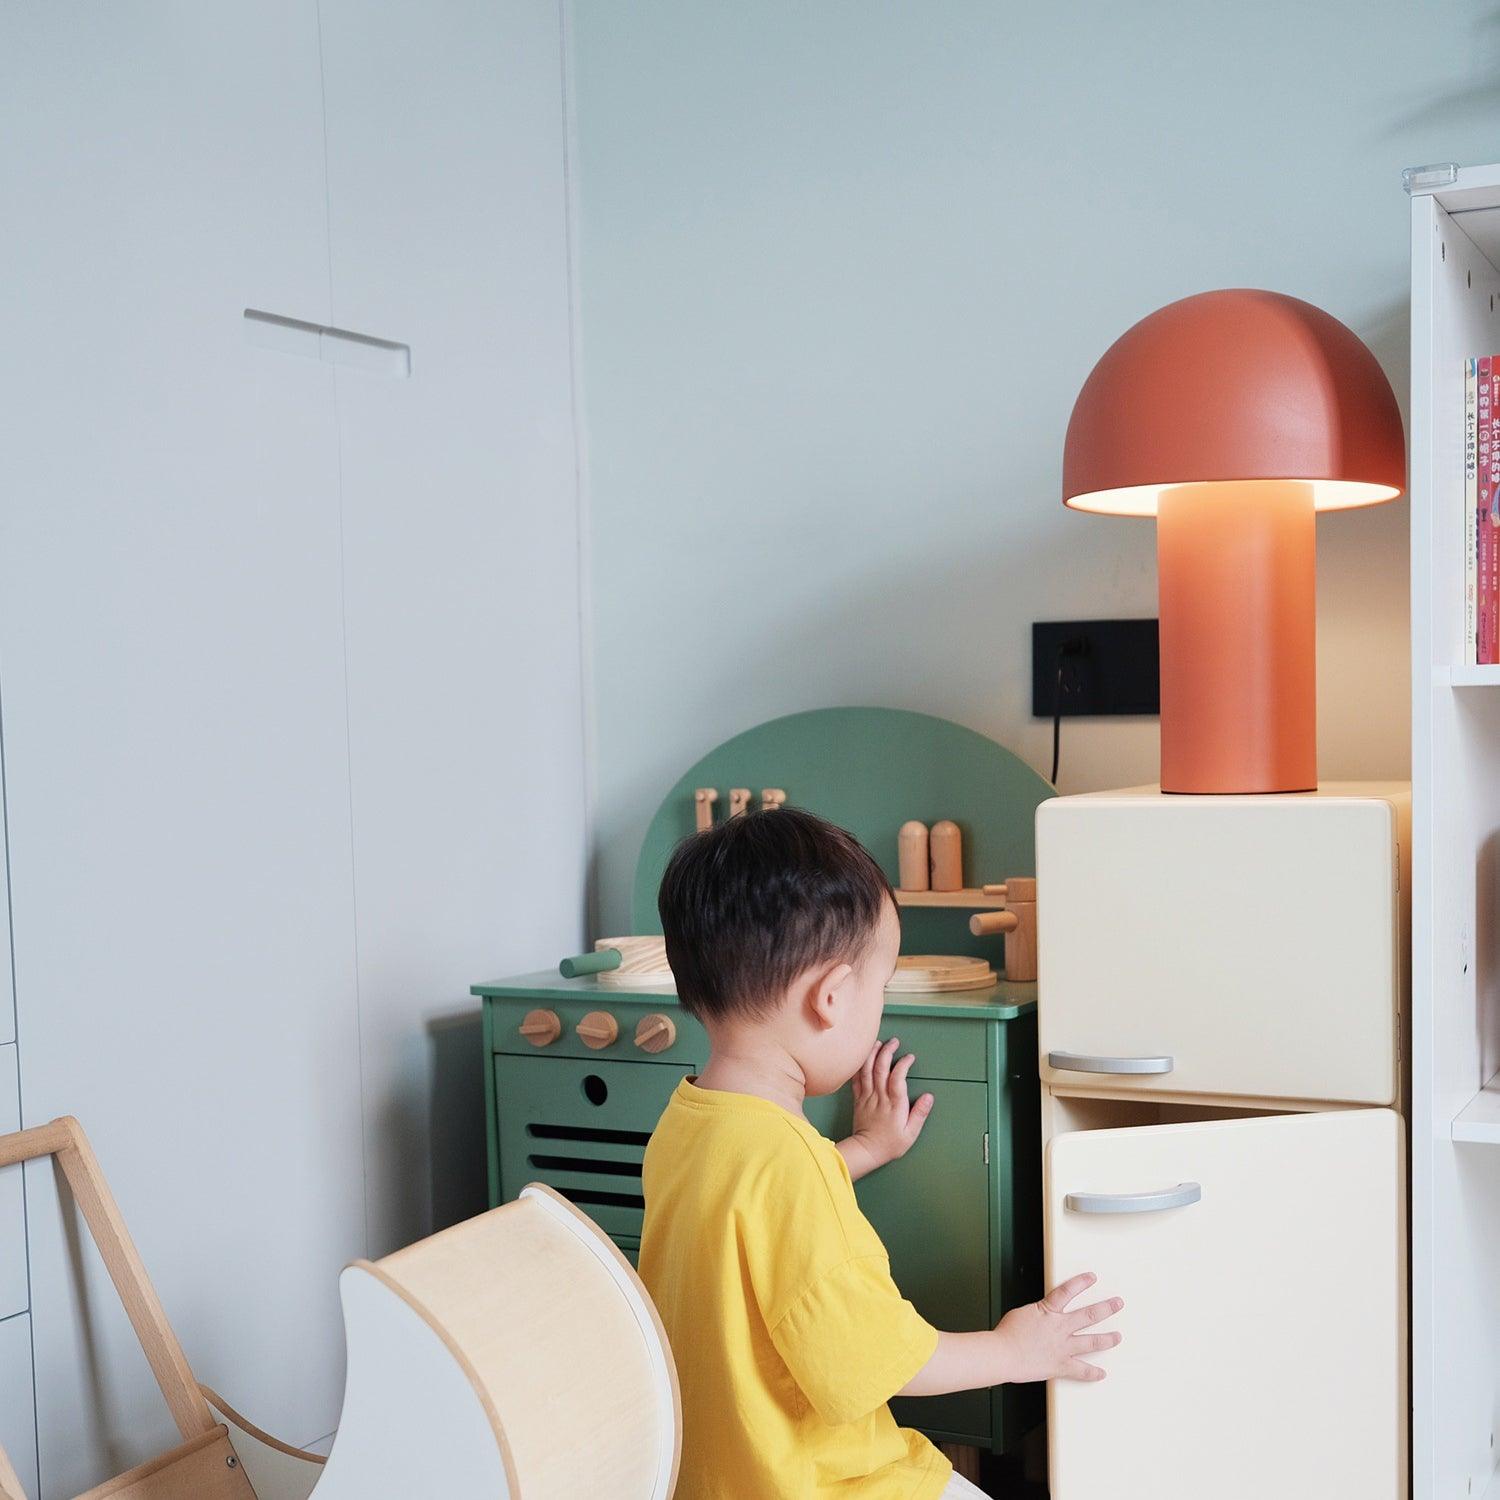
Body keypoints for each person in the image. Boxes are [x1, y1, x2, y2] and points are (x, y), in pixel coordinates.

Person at [639, 806, 1122, 1500]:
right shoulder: (791, 1167)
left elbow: (756, 1216)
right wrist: (1016, 1350)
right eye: (883, 985)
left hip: (714, 1478)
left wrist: (863, 1149)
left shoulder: (687, 1122)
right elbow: (876, 1359)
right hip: (817, 1483)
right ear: (832, 998)